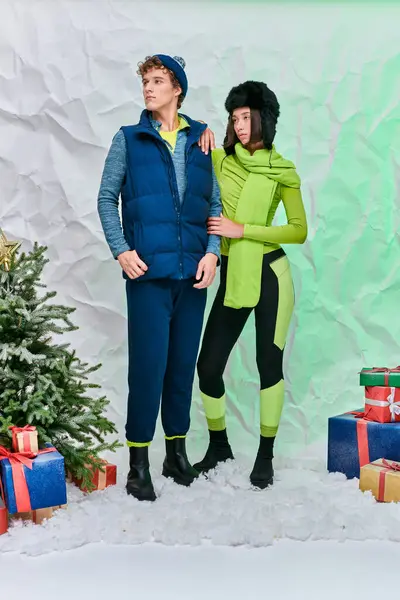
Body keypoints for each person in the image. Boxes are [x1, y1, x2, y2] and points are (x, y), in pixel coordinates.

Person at [97, 54, 221, 502]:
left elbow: (214, 206)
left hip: (193, 277)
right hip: (148, 275)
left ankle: (176, 455)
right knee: (148, 369)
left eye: (157, 81)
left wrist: (212, 254)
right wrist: (121, 250)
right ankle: (138, 465)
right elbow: (106, 197)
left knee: (181, 368)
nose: (148, 89)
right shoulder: (128, 139)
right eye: (145, 81)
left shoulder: (201, 141)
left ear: (177, 89)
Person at [194, 81, 307, 489]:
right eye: (235, 118)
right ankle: (219, 444)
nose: (240, 126)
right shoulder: (221, 160)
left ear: (264, 120)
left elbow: (299, 231)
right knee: (207, 366)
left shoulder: (282, 170)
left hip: (272, 274)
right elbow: (191, 155)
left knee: (268, 365)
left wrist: (242, 230)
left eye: (247, 117)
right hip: (233, 274)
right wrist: (198, 129)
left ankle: (265, 454)